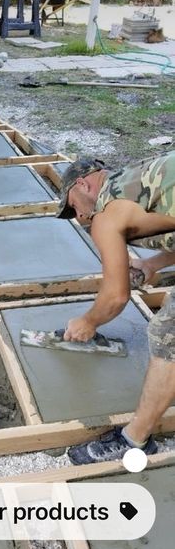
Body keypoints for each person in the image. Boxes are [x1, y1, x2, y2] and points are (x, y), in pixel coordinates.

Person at [56, 151, 175, 464]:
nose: (78, 216)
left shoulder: (106, 213)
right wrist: (153, 263)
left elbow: (115, 297)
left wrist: (88, 322)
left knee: (167, 335)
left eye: (72, 207)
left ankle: (134, 440)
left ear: (83, 184)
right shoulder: (136, 182)